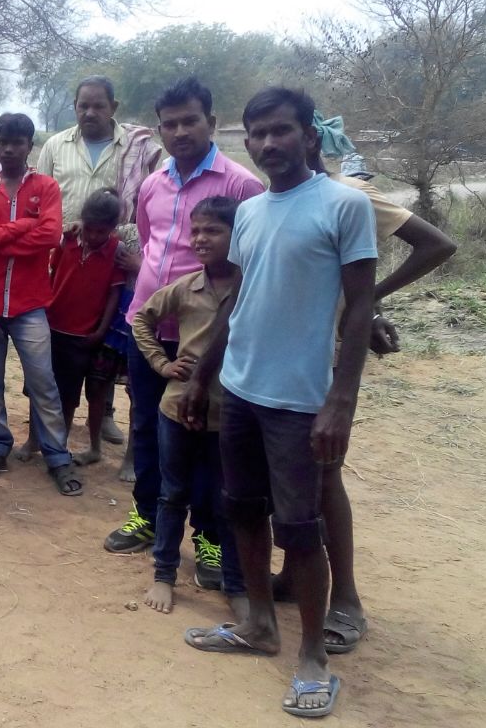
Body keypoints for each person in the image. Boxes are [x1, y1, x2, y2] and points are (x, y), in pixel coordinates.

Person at [181, 87, 377, 719]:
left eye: (281, 131)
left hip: (299, 401)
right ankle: (259, 626)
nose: (268, 144)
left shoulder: (345, 206)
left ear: (309, 135)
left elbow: (362, 307)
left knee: (300, 529)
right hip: (239, 389)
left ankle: (314, 656)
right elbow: (239, 300)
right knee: (242, 511)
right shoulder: (253, 211)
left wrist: (339, 399)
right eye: (257, 133)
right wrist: (201, 375)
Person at [263, 115, 458, 653]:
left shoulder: (350, 196)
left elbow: (436, 244)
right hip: (283, 356)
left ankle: (346, 597)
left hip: (326, 360)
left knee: (324, 478)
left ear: (310, 141)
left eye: (291, 135)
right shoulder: (281, 197)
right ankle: (291, 576)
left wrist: (368, 300)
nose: (276, 145)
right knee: (288, 475)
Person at [104, 77, 264, 560]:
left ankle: (210, 539)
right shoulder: (153, 184)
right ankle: (147, 518)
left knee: (206, 439)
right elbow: (153, 246)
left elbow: (251, 266)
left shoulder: (241, 185)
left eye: (190, 120)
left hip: (208, 339)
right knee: (147, 427)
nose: (180, 131)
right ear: (159, 130)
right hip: (148, 330)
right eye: (169, 124)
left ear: (211, 122)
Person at [37, 75, 164, 448]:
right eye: (83, 106)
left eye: (98, 106)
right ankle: (58, 420)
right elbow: (42, 197)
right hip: (66, 254)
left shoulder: (137, 150)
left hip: (116, 257)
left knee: (107, 340)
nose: (90, 112)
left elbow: (150, 202)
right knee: (65, 339)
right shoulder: (56, 146)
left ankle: (104, 414)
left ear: (114, 108)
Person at [135, 197, 245, 613]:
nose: (200, 239)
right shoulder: (186, 289)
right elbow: (143, 319)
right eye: (195, 231)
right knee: (172, 494)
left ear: (238, 236)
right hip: (177, 409)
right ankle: (164, 574)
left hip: (231, 412)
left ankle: (236, 585)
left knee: (228, 500)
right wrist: (163, 364)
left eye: (213, 231)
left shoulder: (251, 289)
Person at [0, 113, 72, 489]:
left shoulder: (47, 187)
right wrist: (23, 226)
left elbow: (50, 236)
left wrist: (1, 237)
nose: (9, 149)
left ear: (29, 146)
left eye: (17, 142)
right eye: (3, 142)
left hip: (30, 303)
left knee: (43, 380)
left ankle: (58, 456)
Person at [45, 188, 125, 479]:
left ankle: (94, 448)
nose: (92, 236)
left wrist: (102, 329)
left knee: (96, 393)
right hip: (58, 325)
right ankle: (58, 446)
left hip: (91, 335)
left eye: (100, 231)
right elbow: (52, 272)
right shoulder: (68, 241)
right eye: (89, 229)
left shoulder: (116, 251)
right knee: (62, 393)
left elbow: (115, 295)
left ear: (112, 228)